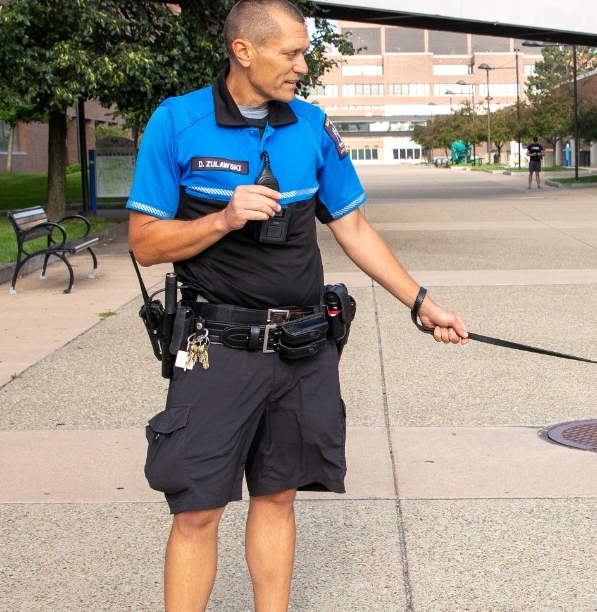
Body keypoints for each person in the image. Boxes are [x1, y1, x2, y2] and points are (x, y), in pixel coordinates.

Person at [124, 1, 468, 610]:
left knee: (278, 496)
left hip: (302, 347)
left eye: (304, 52)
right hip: (215, 350)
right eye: (291, 53)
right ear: (243, 50)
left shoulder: (310, 124)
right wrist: (225, 218)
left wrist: (421, 302)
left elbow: (354, 227)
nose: (302, 66)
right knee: (198, 509)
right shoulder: (177, 122)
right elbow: (145, 243)